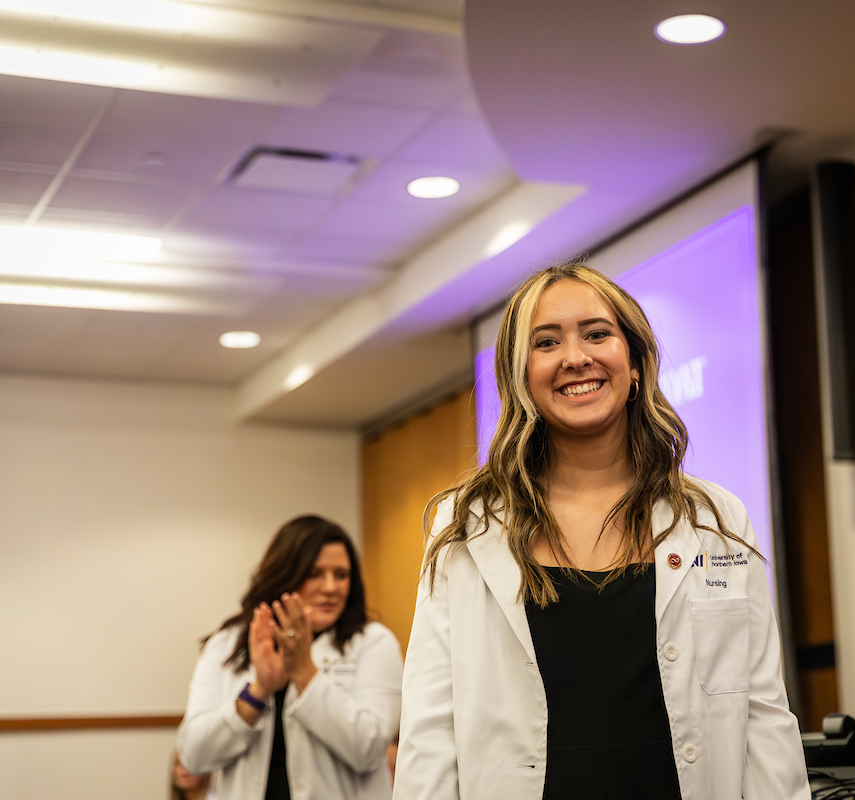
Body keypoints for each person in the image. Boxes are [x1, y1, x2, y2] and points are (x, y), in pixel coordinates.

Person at [395, 263, 808, 800]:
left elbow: (764, 715)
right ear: (520, 375)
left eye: (596, 333)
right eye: (546, 342)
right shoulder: (468, 525)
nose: (576, 357)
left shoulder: (717, 521)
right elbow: (430, 731)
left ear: (633, 362)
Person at [177, 515, 403, 800]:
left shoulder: (374, 643)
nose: (331, 587)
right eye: (314, 573)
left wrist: (305, 672)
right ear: (284, 575)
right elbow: (193, 755)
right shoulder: (229, 644)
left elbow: (368, 750)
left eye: (341, 575)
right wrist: (258, 692)